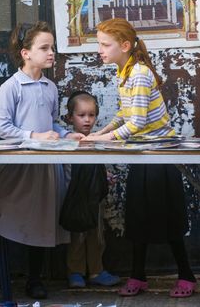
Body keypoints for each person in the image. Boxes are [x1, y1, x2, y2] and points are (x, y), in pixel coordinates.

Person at [83, 18, 196, 297]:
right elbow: (124, 114)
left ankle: (186, 276)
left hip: (160, 153)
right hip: (143, 152)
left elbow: (137, 122)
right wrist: (99, 133)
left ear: (124, 45)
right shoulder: (124, 71)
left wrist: (101, 139)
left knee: (167, 217)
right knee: (137, 216)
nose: (100, 49)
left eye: (105, 44)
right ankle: (137, 275)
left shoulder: (140, 73)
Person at [0, 21, 83, 299]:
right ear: (25, 53)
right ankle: (7, 277)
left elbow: (51, 123)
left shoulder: (50, 87)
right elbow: (4, 129)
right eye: (44, 48)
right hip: (21, 168)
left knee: (42, 221)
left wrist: (66, 133)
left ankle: (35, 279)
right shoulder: (11, 87)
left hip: (46, 168)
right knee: (14, 216)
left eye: (52, 47)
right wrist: (35, 136)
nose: (51, 53)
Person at [64, 91, 121, 288]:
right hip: (75, 198)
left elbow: (100, 167)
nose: (87, 120)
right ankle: (76, 272)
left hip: (95, 197)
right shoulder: (67, 142)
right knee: (77, 235)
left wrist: (107, 177)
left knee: (97, 235)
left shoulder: (99, 139)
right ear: (70, 117)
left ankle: (96, 271)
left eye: (91, 115)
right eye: (81, 115)